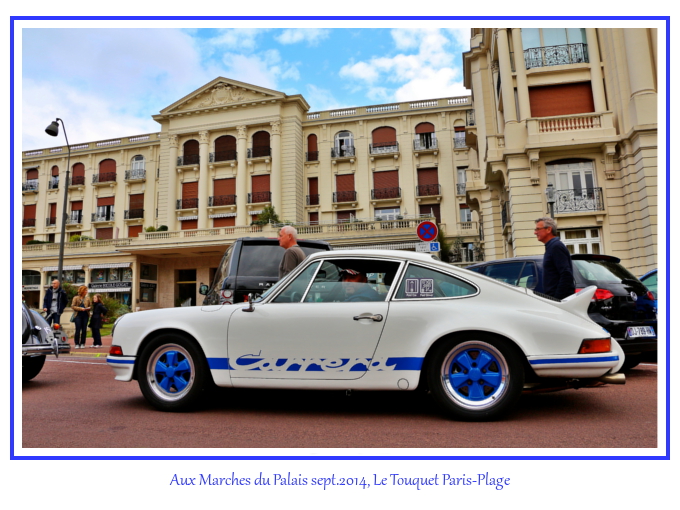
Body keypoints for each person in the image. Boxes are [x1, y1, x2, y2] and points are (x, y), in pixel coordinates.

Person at [535, 217, 575, 300]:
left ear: (548, 229)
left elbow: (566, 275)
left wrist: (557, 299)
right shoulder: (551, 247)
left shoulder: (556, 247)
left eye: (538, 229)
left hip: (558, 300)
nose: (535, 232)